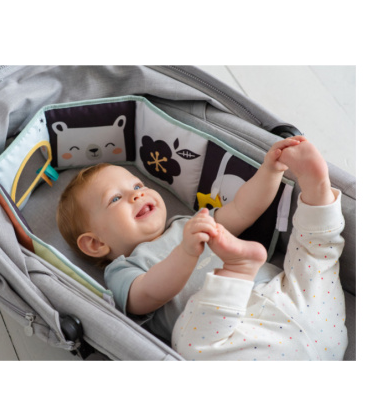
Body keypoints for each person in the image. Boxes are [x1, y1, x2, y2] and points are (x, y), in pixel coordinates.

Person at [57, 137, 348, 360]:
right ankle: (237, 271)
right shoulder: (122, 270)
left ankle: (316, 193)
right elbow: (148, 294)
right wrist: (185, 252)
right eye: (115, 198)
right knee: (188, 347)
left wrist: (270, 170)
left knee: (314, 259)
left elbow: (243, 209)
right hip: (240, 341)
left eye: (137, 185)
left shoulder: (190, 223)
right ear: (96, 243)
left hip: (298, 303)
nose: (137, 194)